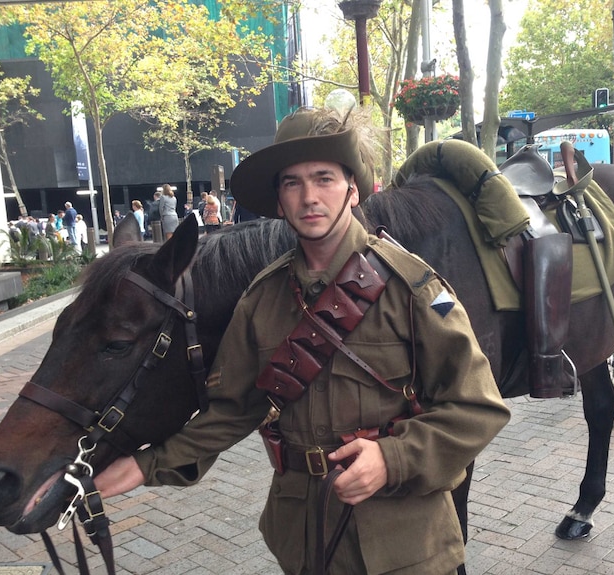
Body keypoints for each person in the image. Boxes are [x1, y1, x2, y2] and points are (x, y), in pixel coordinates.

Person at [95, 107, 510, 574]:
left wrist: (392, 459)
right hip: (304, 537)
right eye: (292, 182)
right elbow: (234, 409)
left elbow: (479, 408)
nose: (309, 196)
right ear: (278, 201)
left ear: (353, 189)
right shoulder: (262, 298)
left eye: (324, 178)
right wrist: (144, 466)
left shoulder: (412, 288)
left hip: (402, 541)